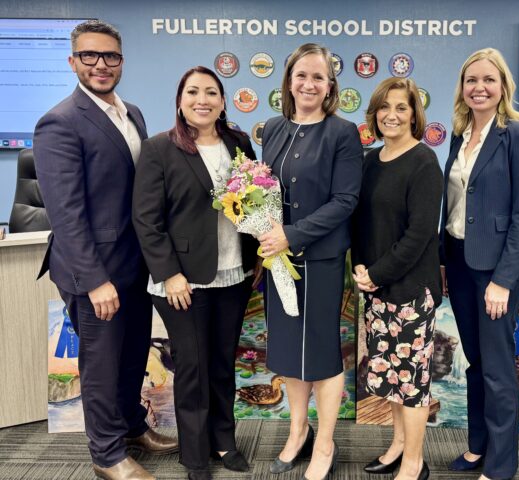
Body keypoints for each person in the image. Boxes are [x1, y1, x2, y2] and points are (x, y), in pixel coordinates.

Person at [33, 20, 177, 480]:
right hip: (94, 273)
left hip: (135, 265)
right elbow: (65, 213)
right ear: (73, 61)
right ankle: (107, 454)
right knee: (101, 364)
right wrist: (95, 280)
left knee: (135, 353)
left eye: (110, 56)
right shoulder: (59, 121)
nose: (101, 64)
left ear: (121, 61)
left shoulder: (131, 112)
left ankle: (133, 426)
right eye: (90, 56)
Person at [133, 66, 261, 480]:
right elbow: (146, 220)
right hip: (182, 281)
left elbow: (255, 202)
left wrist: (258, 253)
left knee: (223, 363)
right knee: (192, 367)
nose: (201, 99)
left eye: (211, 92)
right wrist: (169, 273)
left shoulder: (239, 143)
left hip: (233, 274)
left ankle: (224, 440)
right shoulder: (159, 149)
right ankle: (194, 455)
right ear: (180, 100)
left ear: (223, 102)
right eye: (193, 92)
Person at [259, 42, 363, 480]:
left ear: (330, 85)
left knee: (320, 354)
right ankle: (298, 429)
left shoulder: (342, 133)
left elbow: (345, 201)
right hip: (276, 260)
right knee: (288, 351)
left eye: (318, 77)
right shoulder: (274, 129)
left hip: (318, 260)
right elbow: (263, 191)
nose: (309, 83)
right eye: (301, 75)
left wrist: (291, 234)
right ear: (289, 81)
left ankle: (325, 442)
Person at [439, 48, 519, 480]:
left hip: (496, 271)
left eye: (488, 80)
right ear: (462, 88)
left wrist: (502, 280)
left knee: (499, 369)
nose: (479, 88)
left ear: (503, 87)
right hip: (460, 263)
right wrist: (444, 262)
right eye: (471, 80)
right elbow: (455, 205)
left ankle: (501, 467)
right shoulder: (460, 137)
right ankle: (478, 446)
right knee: (477, 363)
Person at [351, 77, 442, 480]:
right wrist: (360, 270)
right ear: (374, 114)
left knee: (412, 384)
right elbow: (361, 223)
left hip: (410, 292)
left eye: (401, 107)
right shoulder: (369, 161)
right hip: (376, 290)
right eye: (385, 107)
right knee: (389, 376)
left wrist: (376, 273)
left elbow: (419, 235)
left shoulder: (424, 161)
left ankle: (414, 462)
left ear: (414, 114)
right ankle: (397, 445)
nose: (392, 114)